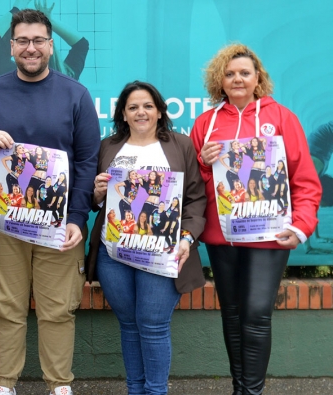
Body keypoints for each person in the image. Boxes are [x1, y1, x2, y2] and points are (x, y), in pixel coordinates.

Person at [0, 9, 100, 395]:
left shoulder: (75, 94)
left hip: (59, 222)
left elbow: (87, 160)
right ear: (10, 47)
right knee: (6, 306)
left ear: (50, 44)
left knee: (59, 307)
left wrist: (77, 216)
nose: (31, 48)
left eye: (38, 40)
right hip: (2, 221)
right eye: (22, 40)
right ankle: (4, 384)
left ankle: (59, 386)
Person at [190, 44, 321, 395]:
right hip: (223, 238)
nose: (237, 79)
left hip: (270, 235)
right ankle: (239, 389)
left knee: (257, 314)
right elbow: (193, 187)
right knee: (232, 315)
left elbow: (305, 180)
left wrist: (301, 226)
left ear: (257, 78)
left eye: (244, 73)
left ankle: (252, 392)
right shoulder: (206, 123)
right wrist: (202, 162)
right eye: (229, 73)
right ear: (220, 79)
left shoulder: (282, 118)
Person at [87, 81, 206, 395]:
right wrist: (98, 192)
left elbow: (196, 199)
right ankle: (134, 390)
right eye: (133, 107)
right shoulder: (108, 147)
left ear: (159, 112)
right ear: (123, 115)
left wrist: (187, 237)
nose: (141, 112)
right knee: (129, 324)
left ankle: (155, 392)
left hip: (164, 252)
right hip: (114, 255)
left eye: (148, 106)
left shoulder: (180, 145)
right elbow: (95, 200)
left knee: (152, 325)